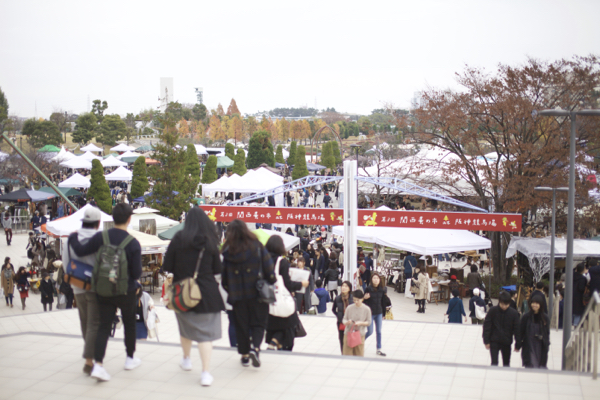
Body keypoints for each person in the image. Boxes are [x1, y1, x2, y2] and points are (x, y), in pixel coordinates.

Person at [69, 203, 143, 382]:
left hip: (104, 290)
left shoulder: (102, 237)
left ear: (111, 217)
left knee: (103, 326)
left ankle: (99, 365)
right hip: (126, 291)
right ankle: (129, 359)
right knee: (129, 323)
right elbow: (136, 273)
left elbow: (80, 250)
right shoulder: (133, 243)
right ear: (129, 219)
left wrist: (72, 238)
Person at [221, 219, 276, 369]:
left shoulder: (227, 252)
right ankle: (255, 349)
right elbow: (269, 270)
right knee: (259, 324)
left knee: (241, 325)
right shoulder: (257, 247)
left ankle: (244, 355)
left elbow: (224, 279)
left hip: (238, 296)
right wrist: (270, 281)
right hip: (258, 294)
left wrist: (231, 290)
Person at [62, 206, 101, 375]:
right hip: (95, 287)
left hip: (76, 285)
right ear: (97, 223)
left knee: (84, 321)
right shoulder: (101, 239)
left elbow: (65, 263)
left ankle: (89, 352)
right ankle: (89, 360)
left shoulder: (71, 239)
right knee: (93, 323)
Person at [265, 236, 308, 351]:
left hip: (267, 299)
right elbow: (287, 284)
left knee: (274, 325)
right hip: (281, 298)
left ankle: (273, 341)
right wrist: (301, 284)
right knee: (289, 324)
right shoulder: (281, 262)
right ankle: (279, 344)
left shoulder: (262, 260)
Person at [483, 291, 521, 367]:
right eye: (502, 304)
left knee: (506, 364)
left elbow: (517, 329)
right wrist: (486, 341)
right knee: (494, 363)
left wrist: (518, 344)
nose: (504, 306)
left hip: (506, 342)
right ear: (499, 302)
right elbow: (487, 326)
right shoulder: (493, 311)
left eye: (506, 305)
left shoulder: (513, 313)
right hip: (494, 341)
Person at [515, 293, 550, 368]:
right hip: (529, 345)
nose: (534, 305)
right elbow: (520, 332)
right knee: (531, 364)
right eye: (533, 303)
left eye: (537, 303)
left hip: (540, 346)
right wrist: (518, 345)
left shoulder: (545, 318)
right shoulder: (526, 317)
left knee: (540, 366)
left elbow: (547, 333)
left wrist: (547, 345)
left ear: (541, 305)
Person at [342, 290, 372, 357]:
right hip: (348, 333)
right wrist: (347, 322)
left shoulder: (367, 309)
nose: (356, 302)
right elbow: (344, 319)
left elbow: (369, 322)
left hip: (360, 334)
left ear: (362, 299)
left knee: (359, 355)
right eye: (354, 300)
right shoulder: (349, 307)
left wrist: (361, 323)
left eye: (358, 300)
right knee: (347, 355)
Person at [364, 272, 387, 356]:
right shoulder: (368, 289)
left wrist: (384, 314)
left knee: (379, 331)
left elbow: (383, 302)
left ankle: (379, 349)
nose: (376, 280)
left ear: (379, 280)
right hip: (370, 313)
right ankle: (360, 341)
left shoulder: (382, 289)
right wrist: (364, 298)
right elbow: (364, 302)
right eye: (374, 278)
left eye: (377, 278)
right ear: (371, 279)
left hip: (379, 313)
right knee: (370, 331)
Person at [332, 281, 353, 353]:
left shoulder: (352, 299)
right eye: (343, 286)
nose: (343, 288)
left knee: (350, 338)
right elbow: (333, 309)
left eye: (346, 286)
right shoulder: (338, 298)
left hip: (350, 323)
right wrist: (339, 316)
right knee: (341, 339)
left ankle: (350, 353)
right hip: (341, 322)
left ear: (349, 289)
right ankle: (343, 353)